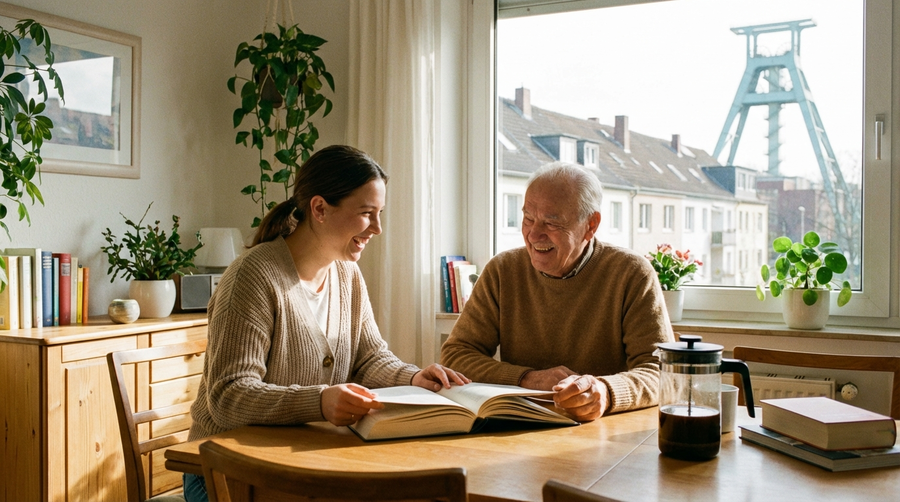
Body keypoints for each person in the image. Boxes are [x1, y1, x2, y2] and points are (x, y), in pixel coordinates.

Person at [183, 145, 469, 502]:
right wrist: (320, 401)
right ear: (319, 208)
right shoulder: (252, 277)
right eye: (367, 213)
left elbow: (370, 358)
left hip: (299, 463)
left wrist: (413, 377)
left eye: (379, 213)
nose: (377, 228)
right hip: (225, 473)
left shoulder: (347, 274)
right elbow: (229, 395)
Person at [440, 161, 673, 422]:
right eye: (528, 218)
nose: (534, 234)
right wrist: (528, 378)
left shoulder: (631, 273)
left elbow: (662, 371)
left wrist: (605, 392)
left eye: (552, 223)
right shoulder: (502, 270)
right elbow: (456, 354)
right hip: (519, 426)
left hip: (604, 431)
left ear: (591, 224)